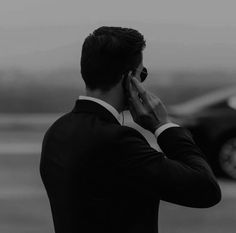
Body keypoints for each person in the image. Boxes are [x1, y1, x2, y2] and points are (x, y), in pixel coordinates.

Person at [40, 26, 221, 233]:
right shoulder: (117, 141)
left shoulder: (55, 132)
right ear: (129, 79)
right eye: (141, 74)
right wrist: (163, 126)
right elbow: (205, 189)